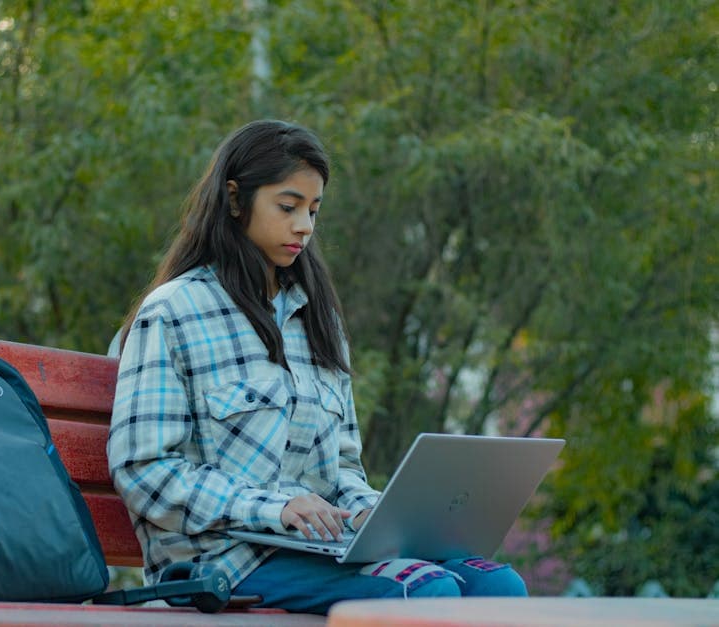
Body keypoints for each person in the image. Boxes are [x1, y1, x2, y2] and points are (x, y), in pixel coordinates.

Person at [106, 120, 527, 615]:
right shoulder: (175, 312)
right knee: (424, 590)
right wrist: (275, 508)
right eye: (288, 207)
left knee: (498, 585)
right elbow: (143, 468)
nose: (304, 226)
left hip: (318, 549)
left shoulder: (318, 321)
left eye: (313, 209)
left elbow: (341, 469)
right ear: (236, 200)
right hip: (220, 561)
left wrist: (371, 511)